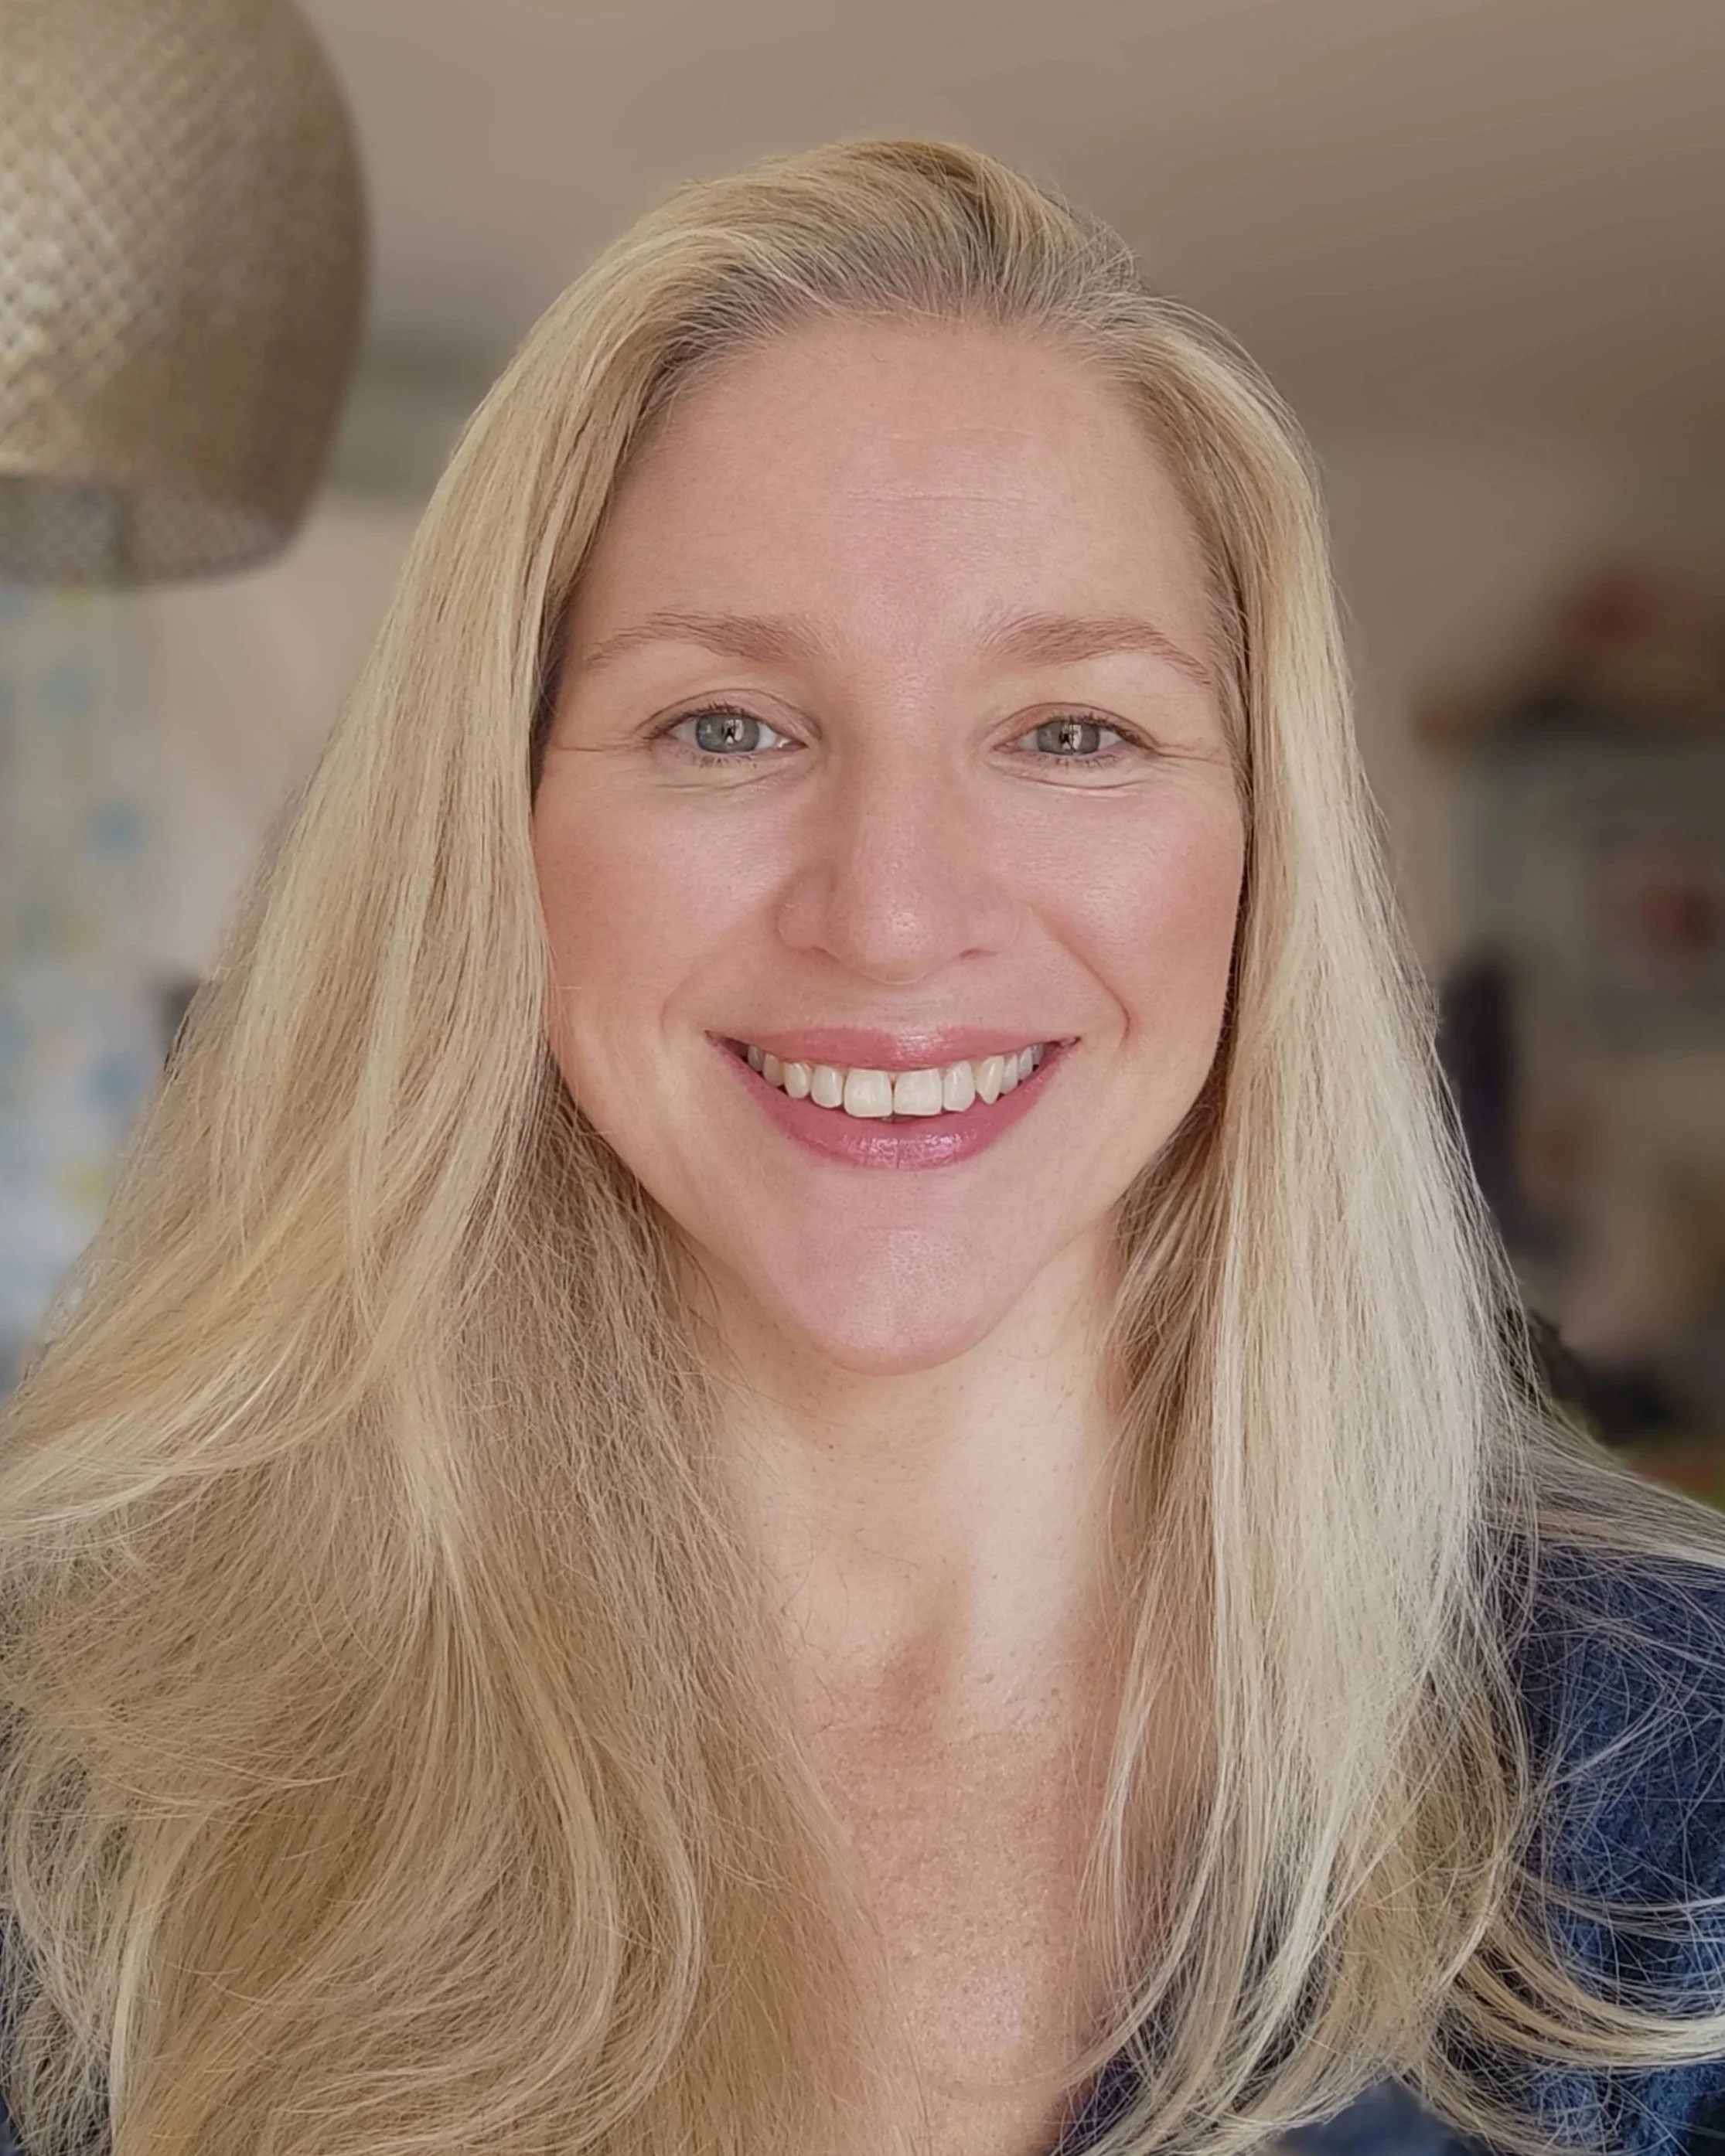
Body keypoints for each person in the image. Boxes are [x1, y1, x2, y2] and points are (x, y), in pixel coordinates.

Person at [2, 136, 1723, 2156]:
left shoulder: (1668, 1761)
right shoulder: (79, 1765)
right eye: (724, 723)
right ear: (493, 836)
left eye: (1070, 729)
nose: (892, 910)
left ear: (1259, 857)